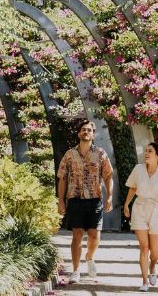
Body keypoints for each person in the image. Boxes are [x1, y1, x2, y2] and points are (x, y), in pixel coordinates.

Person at [58, 119, 114, 284]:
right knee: (76, 235)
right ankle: (76, 270)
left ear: (93, 134)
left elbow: (108, 175)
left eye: (89, 130)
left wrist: (110, 196)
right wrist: (61, 201)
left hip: (94, 199)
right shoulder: (69, 154)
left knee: (95, 235)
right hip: (75, 199)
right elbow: (62, 178)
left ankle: (89, 257)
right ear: (78, 133)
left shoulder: (100, 154)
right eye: (83, 130)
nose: (86, 132)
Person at [123, 142, 158, 292]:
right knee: (144, 247)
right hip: (139, 209)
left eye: (150, 151)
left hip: (156, 210)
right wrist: (126, 204)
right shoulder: (138, 169)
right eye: (145, 151)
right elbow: (133, 187)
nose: (146, 153)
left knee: (155, 251)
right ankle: (145, 281)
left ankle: (153, 265)